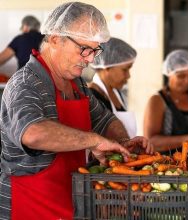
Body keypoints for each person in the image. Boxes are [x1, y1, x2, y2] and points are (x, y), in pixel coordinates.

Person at [0, 2, 153, 219]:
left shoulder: (77, 84)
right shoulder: (25, 83)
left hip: (69, 205)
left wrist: (123, 142)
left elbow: (105, 120)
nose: (91, 59)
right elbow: (33, 133)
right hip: (29, 207)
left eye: (95, 50)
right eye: (84, 49)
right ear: (55, 39)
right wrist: (94, 141)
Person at [89, 37, 137, 138]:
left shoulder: (116, 92)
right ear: (106, 67)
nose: (128, 76)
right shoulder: (93, 97)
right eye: (125, 70)